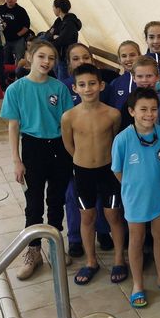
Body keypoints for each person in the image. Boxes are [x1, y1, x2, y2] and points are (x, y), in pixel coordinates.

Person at [0, 41, 74, 280]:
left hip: (59, 147)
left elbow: (67, 122)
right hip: (33, 147)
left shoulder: (59, 88)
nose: (46, 62)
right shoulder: (16, 89)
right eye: (42, 56)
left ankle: (54, 246)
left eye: (51, 58)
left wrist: (72, 153)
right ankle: (33, 251)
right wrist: (16, 160)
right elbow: (14, 126)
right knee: (33, 204)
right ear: (30, 57)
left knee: (56, 201)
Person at [112, 87, 160, 307]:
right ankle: (138, 284)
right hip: (135, 199)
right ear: (131, 111)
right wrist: (133, 187)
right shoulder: (123, 139)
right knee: (136, 240)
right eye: (143, 109)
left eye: (153, 109)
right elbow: (118, 170)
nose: (149, 114)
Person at [61, 64, 126, 285]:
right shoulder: (69, 117)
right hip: (82, 172)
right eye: (82, 85)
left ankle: (119, 259)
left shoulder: (113, 114)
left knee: (113, 215)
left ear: (101, 85)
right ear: (75, 88)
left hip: (108, 171)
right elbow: (69, 145)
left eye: (92, 84)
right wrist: (82, 159)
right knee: (87, 217)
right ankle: (91, 261)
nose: (87, 89)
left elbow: (115, 140)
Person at [61, 44, 115, 257]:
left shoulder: (110, 107)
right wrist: (79, 156)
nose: (88, 88)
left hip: (105, 163)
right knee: (79, 204)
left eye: (85, 57)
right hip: (80, 163)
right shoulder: (67, 103)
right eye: (76, 58)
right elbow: (68, 140)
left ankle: (104, 234)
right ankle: (77, 242)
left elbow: (112, 134)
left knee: (106, 205)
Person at [47, 0, 82, 81]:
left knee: (63, 81)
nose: (53, 9)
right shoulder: (59, 21)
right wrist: (53, 37)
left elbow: (62, 41)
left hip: (65, 57)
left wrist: (55, 37)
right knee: (59, 79)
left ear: (58, 9)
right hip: (58, 55)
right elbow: (48, 34)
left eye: (53, 7)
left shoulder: (70, 23)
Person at [0, 0, 31, 64]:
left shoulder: (21, 11)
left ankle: (18, 71)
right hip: (3, 40)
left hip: (18, 40)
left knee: (19, 60)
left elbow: (27, 25)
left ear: (16, 0)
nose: (10, 0)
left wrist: (18, 34)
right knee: (4, 60)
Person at [109, 40, 142, 110]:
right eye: (124, 56)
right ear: (119, 60)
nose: (128, 59)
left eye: (132, 55)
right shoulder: (115, 83)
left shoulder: (146, 80)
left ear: (140, 56)